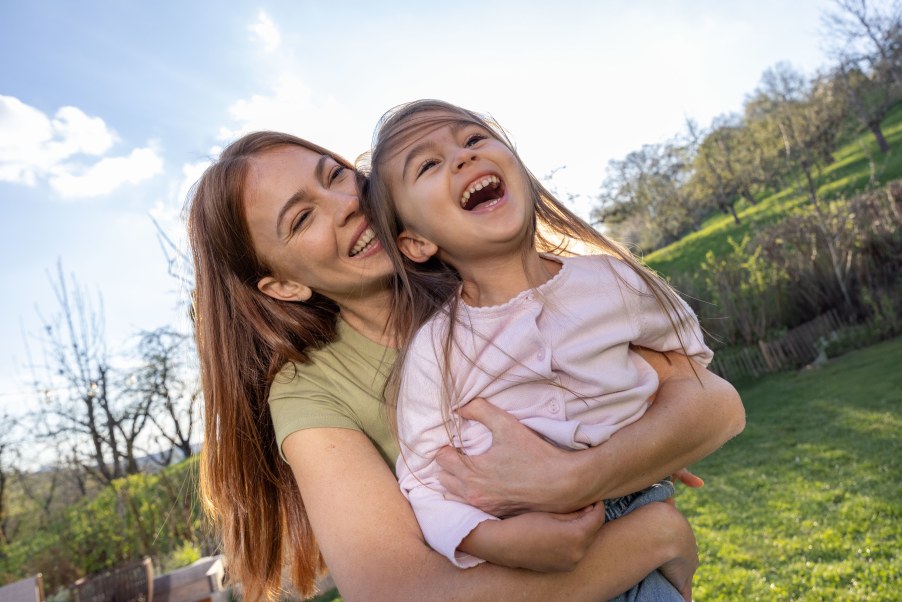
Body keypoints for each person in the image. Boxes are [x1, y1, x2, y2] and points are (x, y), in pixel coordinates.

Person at [186, 129, 745, 601]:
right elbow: (400, 593)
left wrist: (586, 473)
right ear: (282, 283)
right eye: (302, 217)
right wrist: (650, 537)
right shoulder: (310, 390)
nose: (346, 205)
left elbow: (713, 405)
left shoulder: (493, 280)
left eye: (334, 177)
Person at [364, 100, 720, 599]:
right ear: (416, 242)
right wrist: (494, 538)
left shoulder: (614, 279)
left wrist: (650, 437)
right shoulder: (435, 350)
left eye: (472, 140)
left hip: (640, 520)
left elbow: (688, 362)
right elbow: (422, 477)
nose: (463, 158)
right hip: (528, 566)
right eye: (427, 164)